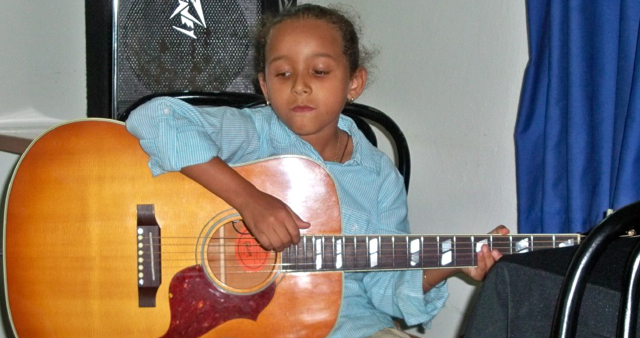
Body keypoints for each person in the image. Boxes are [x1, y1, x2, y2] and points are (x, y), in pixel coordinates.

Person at [126, 4, 509, 338]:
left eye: (320, 71)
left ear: (354, 82)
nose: (300, 87)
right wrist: (249, 200)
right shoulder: (253, 132)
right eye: (282, 74)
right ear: (264, 85)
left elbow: (386, 286)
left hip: (349, 326)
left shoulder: (379, 179)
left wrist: (448, 262)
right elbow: (154, 118)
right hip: (235, 323)